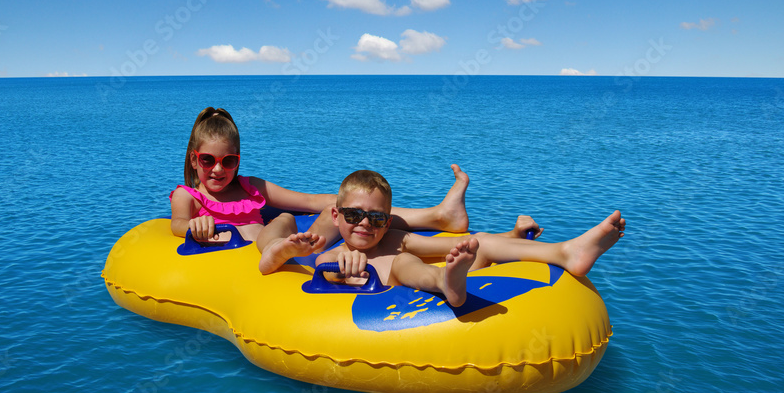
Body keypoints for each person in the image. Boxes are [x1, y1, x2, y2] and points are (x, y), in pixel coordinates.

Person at [257, 170, 625, 308]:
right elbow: (270, 265)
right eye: (353, 217)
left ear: (388, 221)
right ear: (337, 217)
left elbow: (458, 245)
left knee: (477, 242)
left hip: (417, 259)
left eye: (376, 218)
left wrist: (506, 238)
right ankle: (446, 283)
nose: (364, 226)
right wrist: (292, 250)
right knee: (403, 265)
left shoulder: (397, 238)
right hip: (404, 279)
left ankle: (567, 252)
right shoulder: (330, 253)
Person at [170, 107, 471, 244]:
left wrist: (343, 207)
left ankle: (437, 217)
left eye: (229, 160)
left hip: (286, 245)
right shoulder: (189, 196)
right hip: (259, 256)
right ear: (194, 160)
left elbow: (309, 200)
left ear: (238, 160)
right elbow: (178, 223)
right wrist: (196, 224)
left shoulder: (252, 187)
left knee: (350, 212)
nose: (218, 169)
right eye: (208, 160)